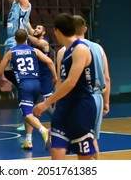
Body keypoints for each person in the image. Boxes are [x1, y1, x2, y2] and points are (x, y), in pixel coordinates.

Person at [33, 13, 97, 160]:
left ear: (57, 31)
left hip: (81, 105)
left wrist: (46, 103)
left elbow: (71, 82)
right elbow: (62, 82)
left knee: (84, 156)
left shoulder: (81, 49)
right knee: (56, 150)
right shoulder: (65, 51)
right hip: (64, 106)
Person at [0, 29, 57, 150]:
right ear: (26, 39)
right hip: (37, 83)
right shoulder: (34, 50)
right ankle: (28, 141)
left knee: (27, 114)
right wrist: (55, 77)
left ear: (15, 39)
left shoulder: (11, 52)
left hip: (24, 85)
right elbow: (50, 61)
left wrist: (0, 79)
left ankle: (43, 131)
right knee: (29, 112)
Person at [63, 15, 111, 159]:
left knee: (82, 143)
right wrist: (106, 101)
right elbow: (107, 78)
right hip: (97, 96)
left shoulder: (67, 49)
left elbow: (63, 79)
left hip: (79, 98)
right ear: (85, 29)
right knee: (92, 139)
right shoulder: (98, 48)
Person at [15, 22, 55, 132]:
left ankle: (58, 122)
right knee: (29, 101)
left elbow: (37, 41)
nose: (35, 29)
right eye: (35, 28)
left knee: (46, 106)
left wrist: (24, 35)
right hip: (35, 78)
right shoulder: (33, 41)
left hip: (45, 79)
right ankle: (28, 122)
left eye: (38, 28)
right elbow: (28, 25)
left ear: (44, 32)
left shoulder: (44, 43)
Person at [0, 0, 31, 85]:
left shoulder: (25, 4)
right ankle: (20, 85)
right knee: (6, 70)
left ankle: (25, 84)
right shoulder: (14, 2)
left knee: (14, 68)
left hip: (18, 40)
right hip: (10, 39)